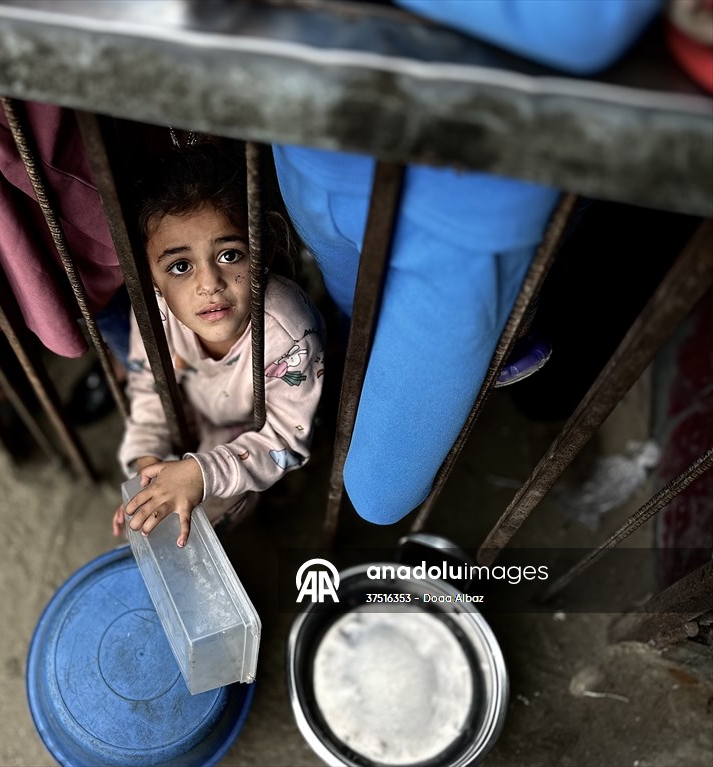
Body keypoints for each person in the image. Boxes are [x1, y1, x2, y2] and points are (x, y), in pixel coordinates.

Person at [272, 0, 663, 526]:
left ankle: (502, 320)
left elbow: (582, 24)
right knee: (350, 323)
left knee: (377, 494)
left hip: (463, 211)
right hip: (309, 141)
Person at [112, 145, 325, 547]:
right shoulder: (153, 312)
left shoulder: (287, 328)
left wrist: (200, 474)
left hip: (259, 426)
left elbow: (287, 439)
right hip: (199, 408)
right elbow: (149, 388)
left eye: (230, 255)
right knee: (157, 499)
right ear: (151, 277)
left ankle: (252, 510)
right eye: (180, 266)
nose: (209, 284)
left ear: (263, 254)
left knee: (211, 508)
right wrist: (148, 467)